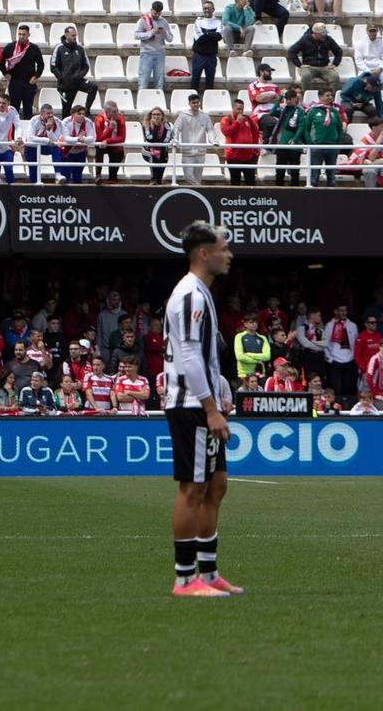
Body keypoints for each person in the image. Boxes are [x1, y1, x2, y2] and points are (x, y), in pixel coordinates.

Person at [162, 221, 240, 598]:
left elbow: (204, 355)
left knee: (216, 484)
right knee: (193, 487)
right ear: (203, 253)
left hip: (203, 400)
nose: (230, 255)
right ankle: (183, 580)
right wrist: (210, 408)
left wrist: (219, 389)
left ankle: (208, 573)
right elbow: (189, 356)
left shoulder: (201, 293)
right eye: (224, 248)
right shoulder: (191, 294)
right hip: (190, 404)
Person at [287, 21, 343, 95]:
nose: (324, 35)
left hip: (324, 66)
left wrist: (335, 64)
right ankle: (306, 96)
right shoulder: (305, 39)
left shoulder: (328, 39)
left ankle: (333, 97)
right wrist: (299, 65)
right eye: (322, 34)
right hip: (309, 66)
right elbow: (292, 51)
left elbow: (338, 51)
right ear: (315, 33)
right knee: (305, 76)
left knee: (335, 76)